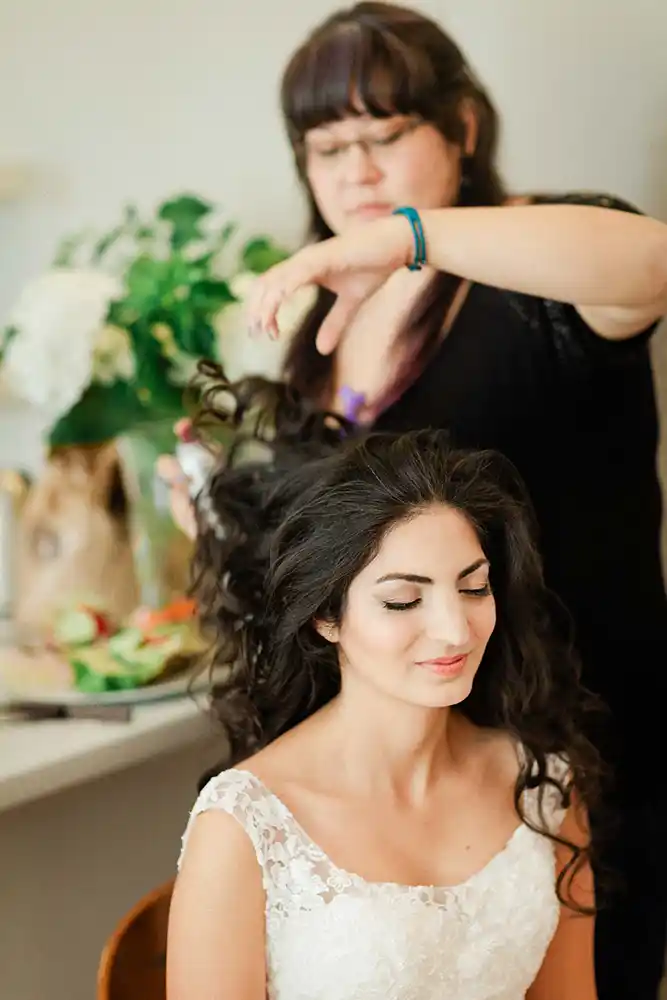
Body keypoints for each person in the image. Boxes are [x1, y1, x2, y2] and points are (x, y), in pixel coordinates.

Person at [159, 5, 667, 998]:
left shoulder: (542, 269)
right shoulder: (318, 321)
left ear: (463, 130)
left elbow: (654, 261)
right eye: (327, 147)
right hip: (393, 776)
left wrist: (407, 240)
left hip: (569, 756)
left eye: (386, 135)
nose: (356, 171)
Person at [169, 387, 602, 1000]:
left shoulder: (542, 785)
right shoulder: (245, 826)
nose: (455, 629)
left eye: (474, 588)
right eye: (404, 599)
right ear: (326, 616)